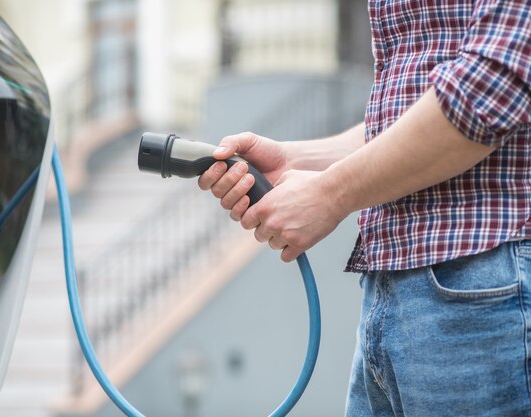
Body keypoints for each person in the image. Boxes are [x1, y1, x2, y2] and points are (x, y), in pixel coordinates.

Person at [198, 1, 531, 416]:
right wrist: (297, 160)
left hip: (482, 283)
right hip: (398, 293)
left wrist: (329, 194)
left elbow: (494, 85)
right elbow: (409, 109)